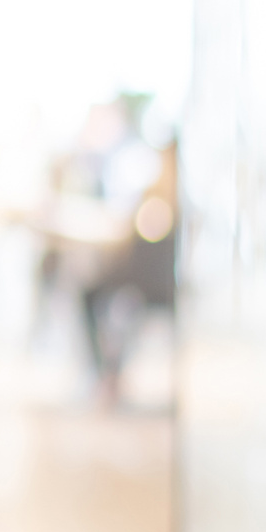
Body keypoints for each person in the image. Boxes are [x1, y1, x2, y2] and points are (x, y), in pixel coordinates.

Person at [81, 141, 175, 407]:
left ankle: (110, 376)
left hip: (153, 287)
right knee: (93, 295)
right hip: (136, 280)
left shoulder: (166, 202)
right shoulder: (152, 195)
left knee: (123, 308)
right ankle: (106, 374)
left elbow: (146, 243)